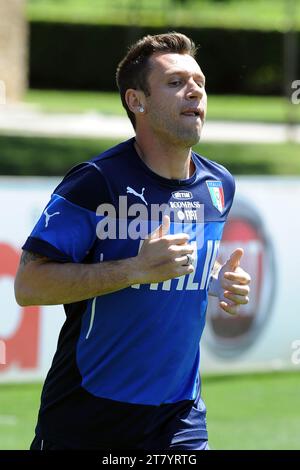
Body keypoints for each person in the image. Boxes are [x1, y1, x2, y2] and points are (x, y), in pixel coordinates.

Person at [15, 32, 250, 451]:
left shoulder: (219, 185)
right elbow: (29, 285)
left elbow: (181, 262)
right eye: (175, 82)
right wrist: (135, 270)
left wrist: (215, 278)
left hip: (180, 415)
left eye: (199, 81)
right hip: (88, 415)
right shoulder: (96, 182)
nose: (194, 89)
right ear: (135, 101)